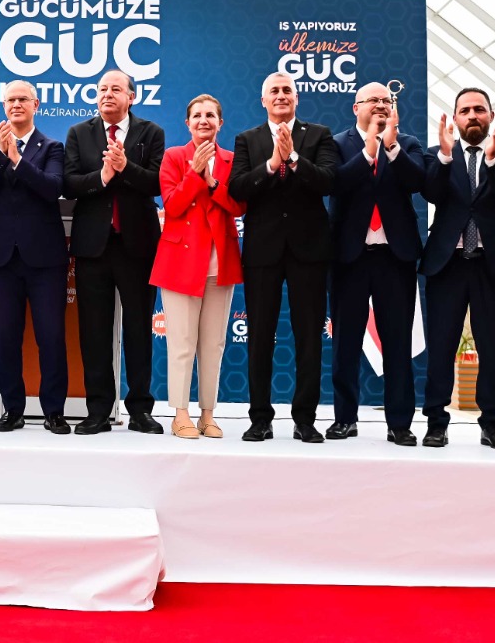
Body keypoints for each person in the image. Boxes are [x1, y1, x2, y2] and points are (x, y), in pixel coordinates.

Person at [227, 71, 337, 443]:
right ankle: (260, 418)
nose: (280, 95)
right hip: (263, 249)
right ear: (263, 100)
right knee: (260, 336)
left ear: (296, 97)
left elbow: (328, 181)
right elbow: (238, 188)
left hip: (309, 249)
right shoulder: (248, 139)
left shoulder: (319, 135)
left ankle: (305, 419)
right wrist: (273, 164)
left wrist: (293, 158)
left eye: (287, 90)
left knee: (309, 337)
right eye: (273, 91)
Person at [63, 70, 166, 435]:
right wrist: (103, 177)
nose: (107, 94)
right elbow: (70, 183)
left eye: (116, 89)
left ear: (131, 97)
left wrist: (125, 168)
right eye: (102, 89)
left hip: (137, 246)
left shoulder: (151, 133)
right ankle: (98, 410)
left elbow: (157, 182)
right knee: (94, 332)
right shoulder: (79, 133)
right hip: (93, 247)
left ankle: (140, 410)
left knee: (138, 329)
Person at [330, 82, 427, 444]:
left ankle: (399, 423)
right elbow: (335, 183)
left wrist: (389, 146)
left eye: (387, 100)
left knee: (398, 343)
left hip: (394, 257)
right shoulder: (336, 144)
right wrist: (369, 151)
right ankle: (345, 419)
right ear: (356, 108)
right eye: (373, 100)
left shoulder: (408, 144)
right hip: (349, 257)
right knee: (345, 344)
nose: (381, 105)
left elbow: (418, 181)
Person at [420, 88, 495, 450]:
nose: (472, 115)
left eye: (479, 109)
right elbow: (431, 193)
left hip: (494, 264)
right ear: (455, 117)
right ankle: (436, 422)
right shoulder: (438, 153)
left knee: (493, 347)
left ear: (491, 115)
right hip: (448, 264)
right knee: (441, 346)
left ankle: (493, 424)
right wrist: (445, 157)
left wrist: (493, 160)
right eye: (465, 110)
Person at [0, 81, 70, 434]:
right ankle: (12, 410)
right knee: (6, 338)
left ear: (36, 104)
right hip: (2, 259)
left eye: (22, 99)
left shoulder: (53, 147)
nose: (16, 104)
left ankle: (54, 411)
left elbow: (52, 188)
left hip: (45, 259)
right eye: (10, 100)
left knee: (51, 336)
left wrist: (17, 159)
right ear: (4, 106)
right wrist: (3, 154)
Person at [149, 94, 244, 440]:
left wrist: (212, 182)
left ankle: (207, 414)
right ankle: (180, 414)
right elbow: (172, 205)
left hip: (221, 262)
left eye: (210, 115)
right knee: (182, 342)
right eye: (197, 115)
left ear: (220, 123)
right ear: (187, 123)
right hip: (180, 262)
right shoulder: (174, 156)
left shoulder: (233, 160)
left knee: (213, 343)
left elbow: (239, 206)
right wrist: (194, 173)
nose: (204, 120)